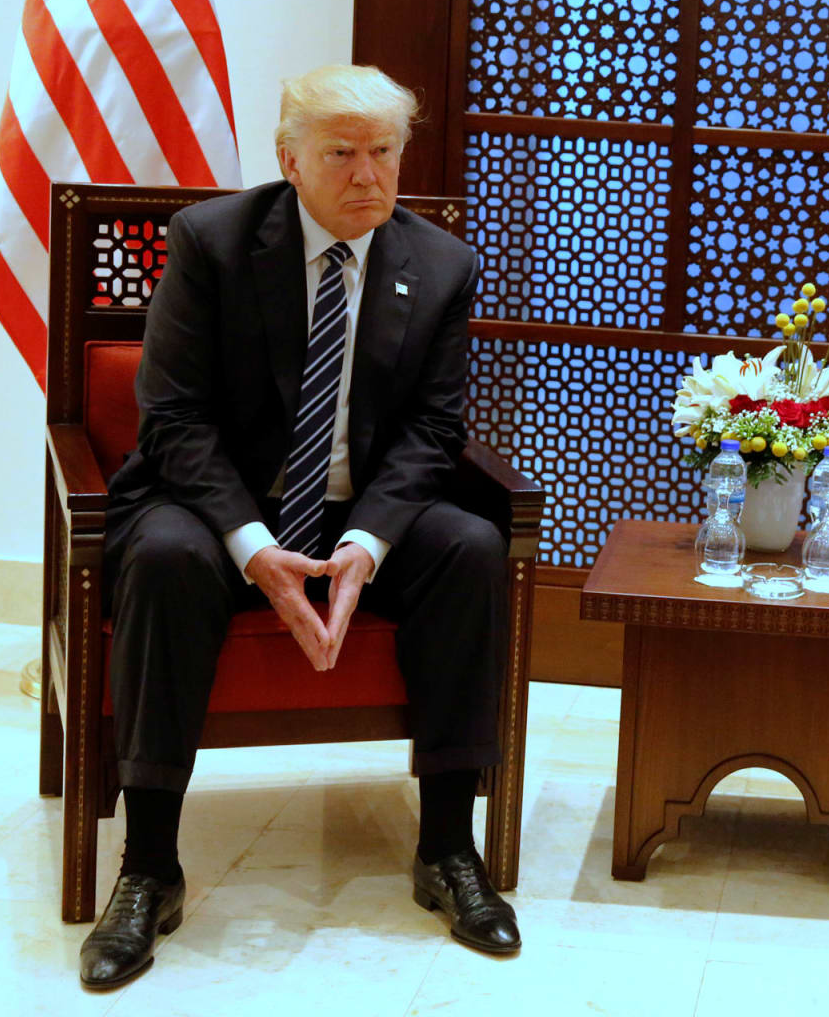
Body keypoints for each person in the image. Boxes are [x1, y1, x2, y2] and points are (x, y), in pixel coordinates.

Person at [79, 65, 518, 990]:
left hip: (362, 512)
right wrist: (252, 546)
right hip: (218, 505)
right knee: (161, 557)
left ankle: (447, 847)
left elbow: (436, 430)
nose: (369, 175)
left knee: (475, 549)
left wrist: (364, 546)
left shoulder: (440, 264)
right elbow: (171, 419)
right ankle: (149, 865)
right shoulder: (214, 240)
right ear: (289, 160)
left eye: (386, 152)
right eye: (342, 153)